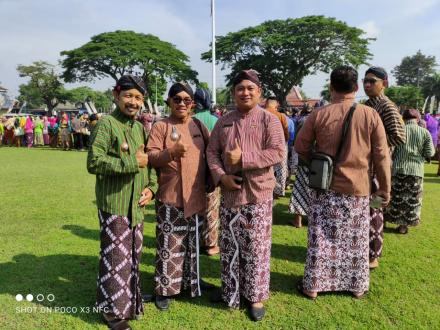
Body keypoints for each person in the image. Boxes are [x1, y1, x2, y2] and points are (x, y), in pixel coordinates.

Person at [295, 66, 391, 300]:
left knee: (320, 236)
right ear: (356, 88)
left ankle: (313, 285)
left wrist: (317, 162)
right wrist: (385, 189)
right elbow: (381, 156)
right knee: (355, 239)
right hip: (358, 188)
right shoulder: (370, 115)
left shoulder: (319, 114)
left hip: (325, 186)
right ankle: (356, 285)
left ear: (331, 87)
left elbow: (300, 146)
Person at [207, 69, 285, 321]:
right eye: (240, 88)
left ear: (259, 92)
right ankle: (230, 291)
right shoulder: (224, 121)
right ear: (233, 93)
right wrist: (221, 177)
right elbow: (211, 152)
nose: (245, 92)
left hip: (258, 195)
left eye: (250, 88)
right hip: (230, 195)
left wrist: (245, 158)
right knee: (230, 247)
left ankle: (255, 296)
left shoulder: (268, 120)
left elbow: (277, 153)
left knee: (256, 249)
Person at [87, 75, 154, 330]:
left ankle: (130, 301)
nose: (133, 102)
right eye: (128, 96)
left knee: (133, 256)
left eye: (138, 98)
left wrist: (151, 189)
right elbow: (94, 162)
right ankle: (112, 312)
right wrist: (131, 163)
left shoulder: (138, 128)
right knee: (115, 257)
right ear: (116, 96)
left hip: (136, 204)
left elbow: (147, 161)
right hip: (114, 203)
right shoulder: (106, 125)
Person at [147, 82, 213, 311]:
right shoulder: (161, 126)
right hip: (170, 196)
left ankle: (192, 281)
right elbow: (150, 157)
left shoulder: (198, 126)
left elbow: (212, 152)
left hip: (196, 196)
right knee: (169, 245)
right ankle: (164, 289)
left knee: (193, 245)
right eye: (177, 99)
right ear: (169, 101)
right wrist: (170, 153)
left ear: (193, 104)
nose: (182, 104)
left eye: (187, 100)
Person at [363, 66, 406, 269]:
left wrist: (376, 144)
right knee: (365, 213)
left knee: (375, 212)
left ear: (384, 84)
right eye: (365, 81)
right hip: (365, 169)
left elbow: (399, 136)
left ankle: (373, 256)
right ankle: (364, 250)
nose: (367, 85)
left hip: (379, 172)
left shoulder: (386, 106)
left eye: (372, 81)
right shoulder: (368, 105)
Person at [384, 109, 435, 233]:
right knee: (412, 200)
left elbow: (390, 150)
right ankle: (403, 227)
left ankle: (384, 221)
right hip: (416, 171)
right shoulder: (425, 133)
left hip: (398, 169)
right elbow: (430, 153)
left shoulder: (398, 131)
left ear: (403, 118)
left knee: (394, 197)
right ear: (417, 119)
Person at [193, 87, 220, 256]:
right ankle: (210, 245)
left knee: (195, 207)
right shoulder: (216, 120)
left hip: (193, 171)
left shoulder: (189, 120)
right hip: (212, 171)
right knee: (211, 207)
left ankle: (194, 240)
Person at [289, 104, 313, 228]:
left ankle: (298, 220)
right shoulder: (320, 120)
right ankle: (312, 219)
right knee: (314, 191)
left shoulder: (301, 120)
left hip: (303, 160)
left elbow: (297, 141)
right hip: (318, 163)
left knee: (299, 190)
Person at [265, 97, 289, 197]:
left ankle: (266, 189)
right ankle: (278, 191)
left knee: (265, 169)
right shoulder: (280, 116)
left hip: (263, 147)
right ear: (277, 105)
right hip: (279, 146)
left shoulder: (259, 114)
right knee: (281, 170)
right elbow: (286, 133)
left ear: (266, 103)